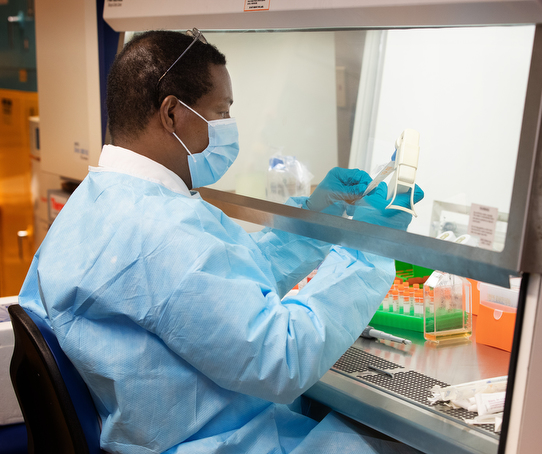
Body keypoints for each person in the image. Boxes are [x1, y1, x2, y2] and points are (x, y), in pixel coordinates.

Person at [19, 29, 423, 453]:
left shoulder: (101, 201)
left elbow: (222, 283)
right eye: (221, 111)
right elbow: (281, 357)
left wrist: (315, 221)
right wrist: (367, 246)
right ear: (172, 113)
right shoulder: (160, 230)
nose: (228, 127)